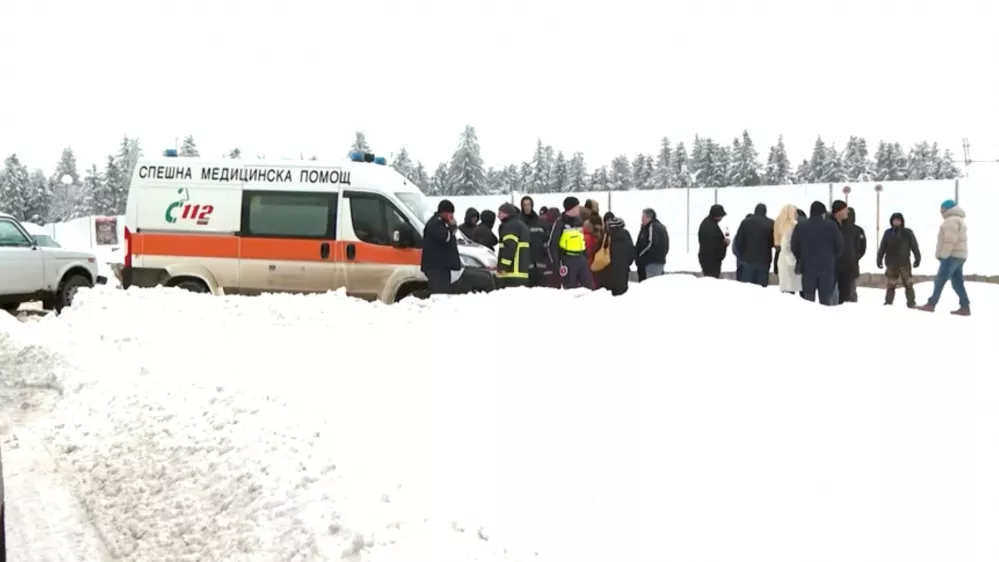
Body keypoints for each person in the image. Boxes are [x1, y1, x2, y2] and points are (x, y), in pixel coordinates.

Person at [917, 199, 970, 315]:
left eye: (942, 208)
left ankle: (931, 304)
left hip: (952, 255)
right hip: (960, 255)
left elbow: (950, 240)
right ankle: (965, 306)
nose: (940, 211)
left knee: (940, 280)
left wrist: (943, 256)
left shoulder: (950, 221)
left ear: (947, 209)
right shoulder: (959, 219)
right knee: (957, 282)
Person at [791, 201, 843, 305]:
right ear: (823, 213)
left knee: (808, 299)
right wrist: (832, 258)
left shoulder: (801, 226)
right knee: (826, 299)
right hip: (827, 267)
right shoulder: (831, 226)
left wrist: (801, 258)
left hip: (808, 267)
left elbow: (794, 246)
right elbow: (840, 246)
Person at [546, 196, 594, 290]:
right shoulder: (560, 223)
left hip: (581, 259)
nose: (579, 209)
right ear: (571, 208)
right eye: (577, 206)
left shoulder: (579, 221)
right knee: (570, 289)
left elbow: (582, 240)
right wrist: (557, 263)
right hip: (567, 260)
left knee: (588, 288)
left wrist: (585, 257)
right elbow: (552, 245)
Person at [876, 212, 921, 308]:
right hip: (891, 263)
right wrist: (879, 259)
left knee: (908, 284)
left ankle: (911, 302)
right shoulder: (888, 233)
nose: (896, 222)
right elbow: (883, 247)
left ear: (902, 221)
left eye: (898, 220)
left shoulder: (907, 232)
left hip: (904, 263)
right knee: (891, 284)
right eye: (894, 220)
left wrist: (917, 258)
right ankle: (888, 302)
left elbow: (914, 246)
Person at [421, 200, 461, 294]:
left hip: (441, 265)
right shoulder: (435, 223)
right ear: (444, 212)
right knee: (440, 293)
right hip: (435, 266)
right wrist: (451, 226)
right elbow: (446, 237)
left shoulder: (442, 223)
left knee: (445, 291)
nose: (451, 216)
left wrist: (452, 227)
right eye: (450, 213)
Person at [828, 200, 864, 304]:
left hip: (849, 268)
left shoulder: (854, 230)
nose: (847, 213)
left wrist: (853, 258)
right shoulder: (831, 226)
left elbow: (861, 248)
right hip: (834, 268)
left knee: (848, 296)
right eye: (845, 210)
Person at [733, 203, 775, 287]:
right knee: (762, 287)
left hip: (747, 260)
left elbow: (738, 241)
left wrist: (741, 255)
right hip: (764, 260)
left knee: (748, 286)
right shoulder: (771, 223)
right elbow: (773, 242)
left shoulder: (745, 222)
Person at [597, 212, 636, 296]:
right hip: (623, 274)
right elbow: (631, 252)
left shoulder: (606, 236)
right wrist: (626, 264)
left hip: (607, 274)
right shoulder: (626, 234)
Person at [495, 203, 531, 288]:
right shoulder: (521, 225)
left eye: (500, 213)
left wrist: (503, 266)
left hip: (511, 274)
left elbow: (509, 247)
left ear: (507, 213)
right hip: (521, 273)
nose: (497, 215)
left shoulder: (510, 226)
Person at [773, 204, 802, 294]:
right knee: (791, 287)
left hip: (782, 258)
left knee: (786, 288)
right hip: (790, 259)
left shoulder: (779, 224)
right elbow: (788, 245)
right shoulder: (792, 226)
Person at [520, 196, 548, 287]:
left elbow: (545, 238)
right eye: (525, 205)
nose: (527, 207)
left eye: (529, 204)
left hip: (539, 260)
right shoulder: (519, 222)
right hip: (525, 260)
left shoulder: (539, 221)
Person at [635, 208, 669, 282]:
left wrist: (640, 256)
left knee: (650, 285)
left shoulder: (652, 227)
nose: (641, 219)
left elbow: (650, 244)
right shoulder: (659, 227)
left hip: (650, 263)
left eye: (643, 217)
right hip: (656, 261)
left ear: (648, 217)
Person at [697, 204, 728, 278]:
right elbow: (714, 245)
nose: (722, 218)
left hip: (706, 258)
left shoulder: (707, 223)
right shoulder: (711, 227)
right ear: (717, 215)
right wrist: (724, 244)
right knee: (712, 281)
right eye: (721, 216)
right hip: (711, 261)